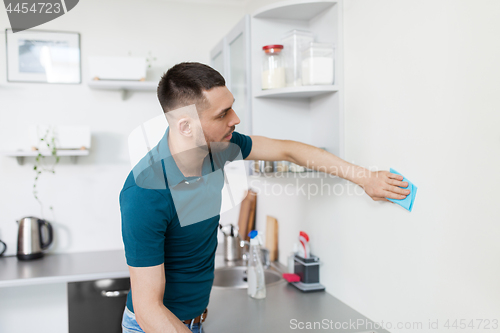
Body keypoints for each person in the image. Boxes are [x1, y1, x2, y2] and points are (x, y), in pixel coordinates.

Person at [119, 62, 410, 333]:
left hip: (194, 321)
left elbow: (288, 150)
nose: (236, 119)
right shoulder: (145, 192)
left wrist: (365, 178)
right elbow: (148, 309)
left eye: (231, 107)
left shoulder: (216, 149)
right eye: (223, 114)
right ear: (186, 126)